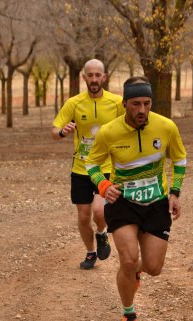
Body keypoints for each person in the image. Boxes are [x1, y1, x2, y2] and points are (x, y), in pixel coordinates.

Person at [85, 76, 187, 321]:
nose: (141, 110)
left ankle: (134, 274)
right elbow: (92, 164)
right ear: (124, 103)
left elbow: (179, 159)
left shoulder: (166, 127)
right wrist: (104, 186)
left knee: (153, 268)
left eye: (146, 103)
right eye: (135, 104)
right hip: (123, 204)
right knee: (128, 260)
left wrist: (174, 192)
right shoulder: (109, 132)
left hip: (156, 204)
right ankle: (129, 314)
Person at [52, 59, 124, 269]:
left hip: (106, 168)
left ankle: (102, 233)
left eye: (97, 75)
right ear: (84, 77)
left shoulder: (117, 103)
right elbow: (54, 130)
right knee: (83, 217)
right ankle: (91, 252)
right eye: (90, 75)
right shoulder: (74, 103)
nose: (94, 79)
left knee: (99, 212)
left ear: (104, 77)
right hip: (81, 168)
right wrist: (62, 132)